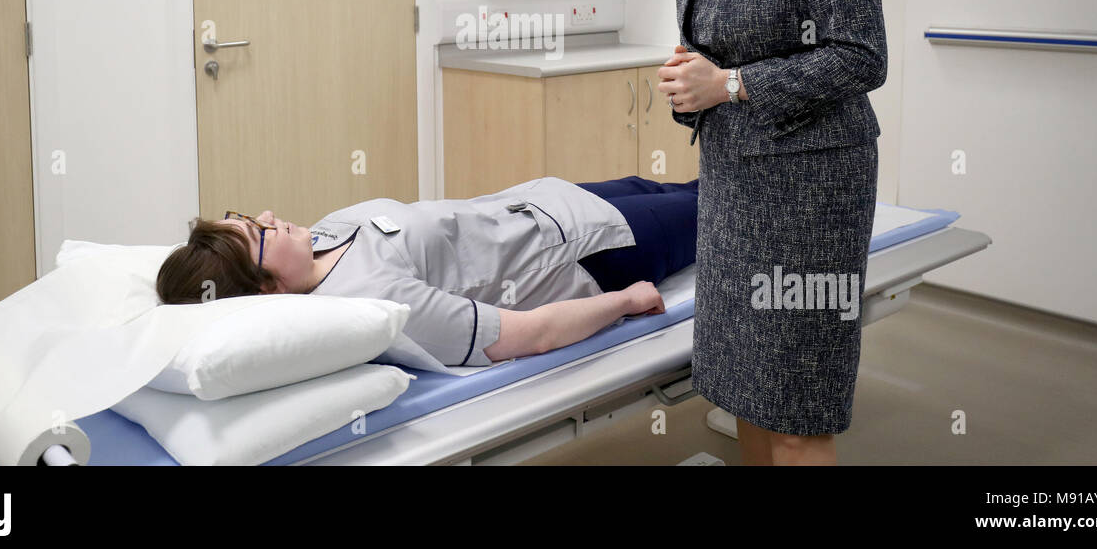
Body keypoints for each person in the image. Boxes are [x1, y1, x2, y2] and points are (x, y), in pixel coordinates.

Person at [628, 0, 888, 466]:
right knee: (742, 383)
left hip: (811, 189)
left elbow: (862, 54)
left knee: (798, 399)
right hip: (734, 185)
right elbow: (709, 54)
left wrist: (733, 84)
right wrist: (693, 86)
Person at [157, 175, 698, 368]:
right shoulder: (375, 301)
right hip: (592, 250)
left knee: (697, 186)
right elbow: (522, 337)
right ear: (265, 290)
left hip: (554, 201)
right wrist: (624, 302)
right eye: (258, 234)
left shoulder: (321, 236)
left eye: (248, 219)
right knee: (728, 206)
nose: (270, 218)